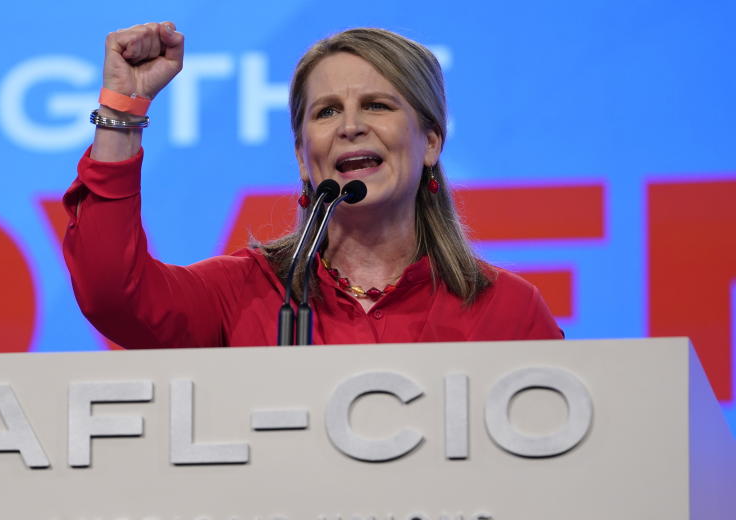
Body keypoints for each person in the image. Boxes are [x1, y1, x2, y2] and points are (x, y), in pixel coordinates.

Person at [63, 22, 562, 348]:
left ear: (431, 142)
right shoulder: (242, 295)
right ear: (303, 157)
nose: (350, 126)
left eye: (377, 105)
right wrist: (121, 110)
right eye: (326, 112)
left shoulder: (508, 311)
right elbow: (112, 294)